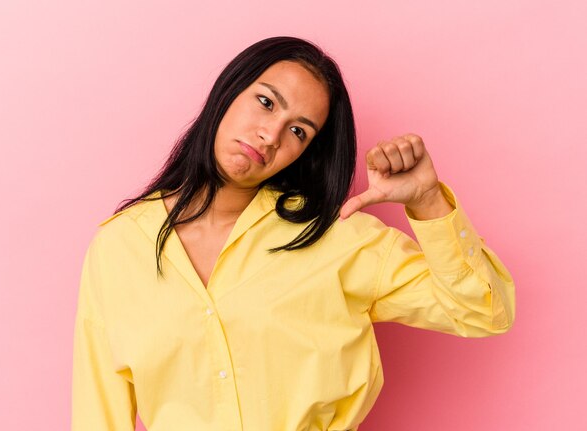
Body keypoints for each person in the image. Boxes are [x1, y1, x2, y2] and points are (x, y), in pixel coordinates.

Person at [71, 36, 515, 431]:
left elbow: (483, 310)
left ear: (305, 152)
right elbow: (99, 413)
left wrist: (427, 199)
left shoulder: (339, 238)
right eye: (265, 102)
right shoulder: (119, 247)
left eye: (298, 130)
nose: (269, 135)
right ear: (228, 92)